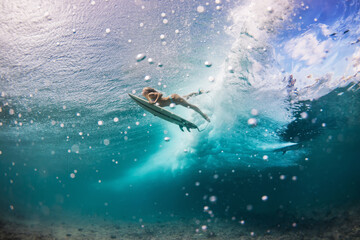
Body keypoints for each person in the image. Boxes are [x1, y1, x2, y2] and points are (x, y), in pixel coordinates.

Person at [141, 87, 210, 122]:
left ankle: (203, 115)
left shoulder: (150, 95)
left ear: (147, 92)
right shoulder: (149, 98)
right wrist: (155, 112)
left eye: (143, 91)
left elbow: (160, 94)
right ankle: (199, 92)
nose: (142, 92)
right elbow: (157, 105)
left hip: (173, 99)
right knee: (186, 97)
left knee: (190, 106)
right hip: (173, 100)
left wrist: (154, 102)